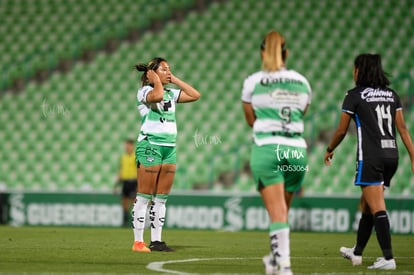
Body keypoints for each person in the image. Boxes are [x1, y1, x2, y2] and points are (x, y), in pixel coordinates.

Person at [324, 53, 414, 270]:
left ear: (360, 71)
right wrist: (413, 156)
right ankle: (356, 253)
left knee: (377, 206)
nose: (352, 72)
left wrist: (329, 149)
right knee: (367, 204)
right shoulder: (392, 95)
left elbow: (341, 130)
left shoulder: (354, 95)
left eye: (354, 68)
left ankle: (388, 258)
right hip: (392, 156)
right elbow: (402, 128)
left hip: (371, 157)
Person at [242, 30, 311, 275]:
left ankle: (284, 266)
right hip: (296, 150)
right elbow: (302, 111)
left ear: (263, 52)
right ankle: (274, 261)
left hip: (267, 148)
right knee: (282, 211)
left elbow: (250, 120)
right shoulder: (302, 82)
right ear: (287, 53)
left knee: (277, 213)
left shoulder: (253, 82)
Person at [131, 57, 200, 252]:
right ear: (151, 74)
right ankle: (138, 242)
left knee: (161, 198)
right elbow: (158, 96)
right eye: (163, 69)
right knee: (144, 196)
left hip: (169, 148)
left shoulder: (170, 92)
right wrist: (157, 81)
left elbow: (195, 95)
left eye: (169, 69)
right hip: (150, 145)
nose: (167, 72)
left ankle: (157, 241)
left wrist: (174, 79)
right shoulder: (145, 91)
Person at [114, 139, 137, 227]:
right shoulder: (123, 157)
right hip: (125, 182)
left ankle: (135, 220)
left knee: (134, 201)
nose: (127, 147)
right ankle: (125, 220)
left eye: (128, 145)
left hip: (134, 181)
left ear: (132, 146)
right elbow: (121, 171)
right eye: (126, 145)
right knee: (124, 201)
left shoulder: (136, 157)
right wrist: (116, 185)